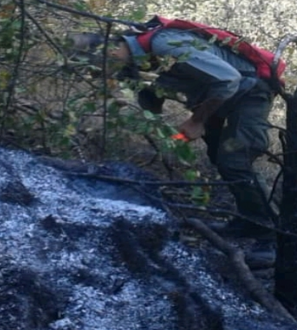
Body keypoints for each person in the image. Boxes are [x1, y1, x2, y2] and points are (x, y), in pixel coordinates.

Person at [106, 25, 277, 264]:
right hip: (218, 95)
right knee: (220, 158)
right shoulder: (137, 61)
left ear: (118, 44)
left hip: (250, 89)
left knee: (236, 161)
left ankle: (273, 239)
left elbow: (229, 79)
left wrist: (197, 121)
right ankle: (248, 221)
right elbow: (152, 98)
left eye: (108, 55)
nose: (109, 63)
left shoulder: (164, 43)